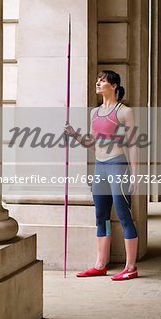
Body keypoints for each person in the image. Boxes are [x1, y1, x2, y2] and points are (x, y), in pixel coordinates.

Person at [64, 70, 139, 280]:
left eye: (102, 80)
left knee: (124, 216)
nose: (98, 83)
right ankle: (100, 264)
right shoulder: (94, 113)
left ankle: (130, 268)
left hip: (118, 166)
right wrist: (75, 135)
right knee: (101, 217)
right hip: (100, 167)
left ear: (114, 85)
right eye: (97, 80)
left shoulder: (125, 112)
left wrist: (134, 175)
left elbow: (133, 145)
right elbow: (92, 144)